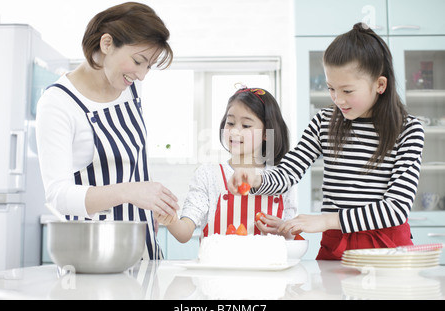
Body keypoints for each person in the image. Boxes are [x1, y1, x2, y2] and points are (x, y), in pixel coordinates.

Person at [228, 23, 425, 260]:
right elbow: (288, 173)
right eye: (332, 88)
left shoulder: (408, 129)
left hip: (388, 246)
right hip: (337, 244)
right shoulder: (324, 122)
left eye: (347, 91)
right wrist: (256, 179)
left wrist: (325, 220)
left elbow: (395, 208)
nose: (338, 99)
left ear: (380, 85)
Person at [36, 2, 179, 260]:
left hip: (142, 250)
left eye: (149, 66)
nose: (143, 75)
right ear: (106, 44)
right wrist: (131, 192)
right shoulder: (58, 102)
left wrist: (148, 208)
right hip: (91, 257)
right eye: (138, 61)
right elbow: (58, 195)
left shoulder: (131, 90)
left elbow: (130, 165)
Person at [161, 86, 297, 242]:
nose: (234, 131)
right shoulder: (208, 175)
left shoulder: (281, 178)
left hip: (269, 266)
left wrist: (285, 230)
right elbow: (184, 234)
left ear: (267, 132)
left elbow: (291, 237)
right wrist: (170, 219)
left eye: (246, 126)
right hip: (217, 266)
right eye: (230, 123)